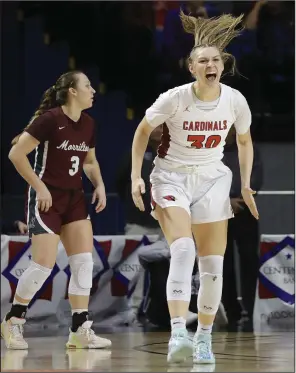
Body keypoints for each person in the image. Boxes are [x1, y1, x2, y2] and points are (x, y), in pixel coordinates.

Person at [131, 11, 259, 365]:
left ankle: (203, 338)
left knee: (212, 265)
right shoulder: (174, 98)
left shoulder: (235, 100)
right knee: (183, 250)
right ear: (192, 68)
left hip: (213, 178)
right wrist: (135, 176)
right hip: (171, 176)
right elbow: (142, 130)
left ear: (223, 65)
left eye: (215, 59)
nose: (210, 63)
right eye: (203, 60)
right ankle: (177, 334)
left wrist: (246, 185)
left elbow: (245, 142)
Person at [1, 71, 111, 350]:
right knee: (42, 266)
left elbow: (89, 161)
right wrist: (40, 187)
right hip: (46, 199)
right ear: (72, 91)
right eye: (87, 85)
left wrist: (98, 185)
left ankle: (79, 329)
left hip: (74, 198)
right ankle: (13, 321)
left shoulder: (88, 123)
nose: (92, 90)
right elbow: (16, 154)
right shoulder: (49, 120)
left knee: (84, 263)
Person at [222, 127, 263, 330]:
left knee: (249, 259)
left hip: (246, 212)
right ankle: (230, 310)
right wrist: (225, 201)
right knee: (224, 263)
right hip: (219, 214)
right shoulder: (210, 149)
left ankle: (250, 307)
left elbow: (256, 178)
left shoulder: (248, 147)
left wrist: (241, 199)